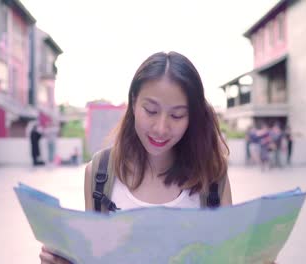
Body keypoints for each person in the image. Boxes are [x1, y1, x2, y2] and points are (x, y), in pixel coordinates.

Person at [39, 51, 232, 264]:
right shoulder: (100, 173)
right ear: (133, 102)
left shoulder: (212, 176)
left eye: (177, 115)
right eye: (150, 111)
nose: (161, 128)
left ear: (192, 116)